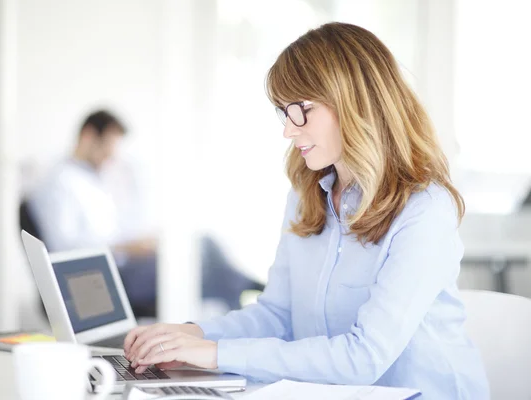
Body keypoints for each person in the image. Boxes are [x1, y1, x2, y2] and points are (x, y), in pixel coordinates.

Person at [121, 23, 490, 399]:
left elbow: (364, 357)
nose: (288, 130)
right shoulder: (306, 196)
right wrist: (191, 335)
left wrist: (214, 354)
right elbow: (279, 315)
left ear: (355, 101)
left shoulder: (424, 210)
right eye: (284, 112)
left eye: (302, 110)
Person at [26, 110, 262, 316]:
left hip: (124, 263)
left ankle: (245, 292)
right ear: (88, 136)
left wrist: (143, 239)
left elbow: (114, 228)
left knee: (202, 243)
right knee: (188, 266)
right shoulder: (57, 182)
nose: (111, 156)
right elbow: (64, 246)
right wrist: (125, 247)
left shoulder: (91, 180)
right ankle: (250, 291)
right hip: (105, 276)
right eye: (107, 147)